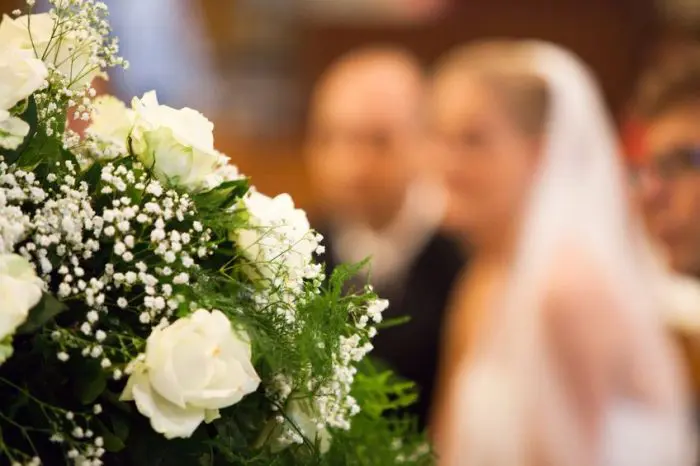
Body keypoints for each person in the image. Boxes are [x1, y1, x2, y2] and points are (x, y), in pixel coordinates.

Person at [429, 40, 695, 465]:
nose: (447, 164)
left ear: (538, 152)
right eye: (440, 138)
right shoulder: (482, 281)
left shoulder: (569, 288)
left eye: (473, 141)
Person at [305, 46, 465, 428]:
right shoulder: (296, 246)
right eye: (330, 138)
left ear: (427, 139)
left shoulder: (461, 255)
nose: (349, 164)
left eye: (377, 141)